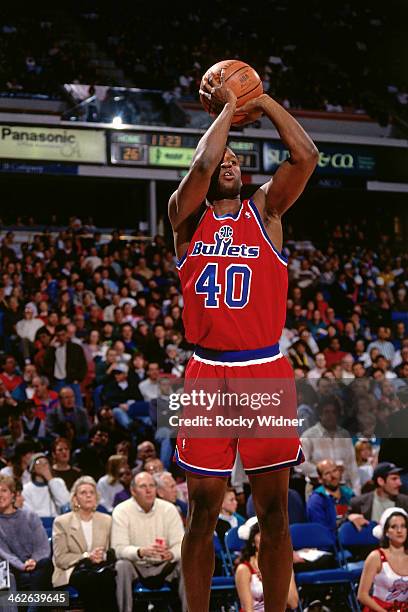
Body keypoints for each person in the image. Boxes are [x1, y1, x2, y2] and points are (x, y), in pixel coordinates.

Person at [168, 70, 318, 611]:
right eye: (222, 156)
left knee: (275, 513)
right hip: (207, 373)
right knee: (202, 512)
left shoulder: (267, 212)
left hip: (264, 370)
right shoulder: (184, 221)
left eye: (236, 159)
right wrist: (229, 109)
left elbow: (306, 156)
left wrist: (261, 99)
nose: (227, 162)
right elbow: (204, 163)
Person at [112, 471, 185, 612]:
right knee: (121, 565)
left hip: (164, 564)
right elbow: (118, 548)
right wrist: (140, 552)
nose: (148, 490)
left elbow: (181, 544)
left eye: (152, 485)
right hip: (136, 564)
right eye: (143, 486)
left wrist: (171, 554)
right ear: (133, 491)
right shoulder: (121, 511)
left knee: (185, 563)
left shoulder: (169, 509)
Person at [52, 476, 118, 612]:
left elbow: (114, 550)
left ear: (96, 498)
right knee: (91, 579)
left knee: (107, 578)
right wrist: (86, 556)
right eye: (83, 493)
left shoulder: (106, 520)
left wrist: (103, 556)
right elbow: (61, 559)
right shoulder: (62, 522)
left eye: (91, 492)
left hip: (101, 567)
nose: (88, 496)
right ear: (75, 499)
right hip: (73, 569)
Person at [0, 474, 52, 610]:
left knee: (45, 564)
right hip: (13, 568)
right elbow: (4, 552)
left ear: (13, 495)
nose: (0, 495)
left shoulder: (30, 516)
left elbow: (43, 547)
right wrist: (22, 566)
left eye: (3, 490)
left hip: (37, 568)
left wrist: (33, 561)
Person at [235, 521, 299, 611]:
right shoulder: (244, 569)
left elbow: (293, 603)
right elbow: (248, 609)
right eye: (261, 534)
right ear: (252, 541)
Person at [357, 507, 408, 610]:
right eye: (394, 527)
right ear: (386, 532)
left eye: (403, 526)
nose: (399, 531)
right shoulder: (376, 557)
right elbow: (362, 595)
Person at [349, 462, 408, 529]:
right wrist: (350, 517)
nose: (399, 483)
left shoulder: (405, 502)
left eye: (399, 478)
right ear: (381, 481)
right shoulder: (358, 503)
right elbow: (339, 524)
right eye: (394, 479)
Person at [306, 459, 355, 540]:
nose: (333, 476)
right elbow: (320, 531)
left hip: (352, 539)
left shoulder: (349, 493)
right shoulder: (316, 500)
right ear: (320, 479)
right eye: (327, 473)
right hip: (330, 544)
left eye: (334, 471)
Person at [23, 452, 70, 517]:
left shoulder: (59, 482)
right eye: (39, 463)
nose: (43, 465)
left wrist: (50, 479)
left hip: (58, 522)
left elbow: (65, 503)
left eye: (46, 463)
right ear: (32, 469)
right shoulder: (26, 489)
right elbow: (29, 514)